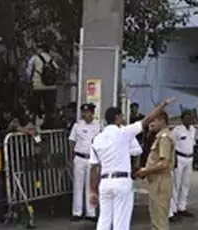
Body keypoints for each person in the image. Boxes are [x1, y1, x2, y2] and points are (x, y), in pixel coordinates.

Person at [88, 98, 175, 230]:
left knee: (104, 219)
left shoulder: (97, 139)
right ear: (117, 118)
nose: (123, 119)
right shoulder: (124, 133)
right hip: (121, 182)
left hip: (104, 183)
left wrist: (92, 191)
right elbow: (147, 120)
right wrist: (163, 105)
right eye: (122, 116)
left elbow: (93, 168)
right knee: (121, 221)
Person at [135, 111, 173, 230]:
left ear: (162, 120)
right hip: (156, 181)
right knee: (155, 218)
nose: (151, 124)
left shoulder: (164, 138)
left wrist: (146, 171)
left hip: (160, 181)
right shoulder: (158, 137)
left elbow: (164, 163)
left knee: (160, 220)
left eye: (153, 121)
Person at [69, 103, 100, 221]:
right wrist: (70, 158)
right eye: (84, 112)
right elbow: (72, 141)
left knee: (91, 185)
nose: (85, 114)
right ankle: (77, 212)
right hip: (79, 157)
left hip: (92, 159)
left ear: (92, 113)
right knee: (78, 185)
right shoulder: (77, 125)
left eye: (87, 112)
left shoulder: (98, 126)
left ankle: (90, 212)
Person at [170, 110, 196, 219]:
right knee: (176, 184)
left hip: (189, 158)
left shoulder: (193, 130)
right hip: (179, 158)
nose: (190, 120)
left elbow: (192, 144)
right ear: (182, 119)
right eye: (187, 117)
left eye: (191, 118)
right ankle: (173, 209)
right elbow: (171, 145)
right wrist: (174, 159)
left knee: (185, 184)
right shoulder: (177, 130)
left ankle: (182, 207)